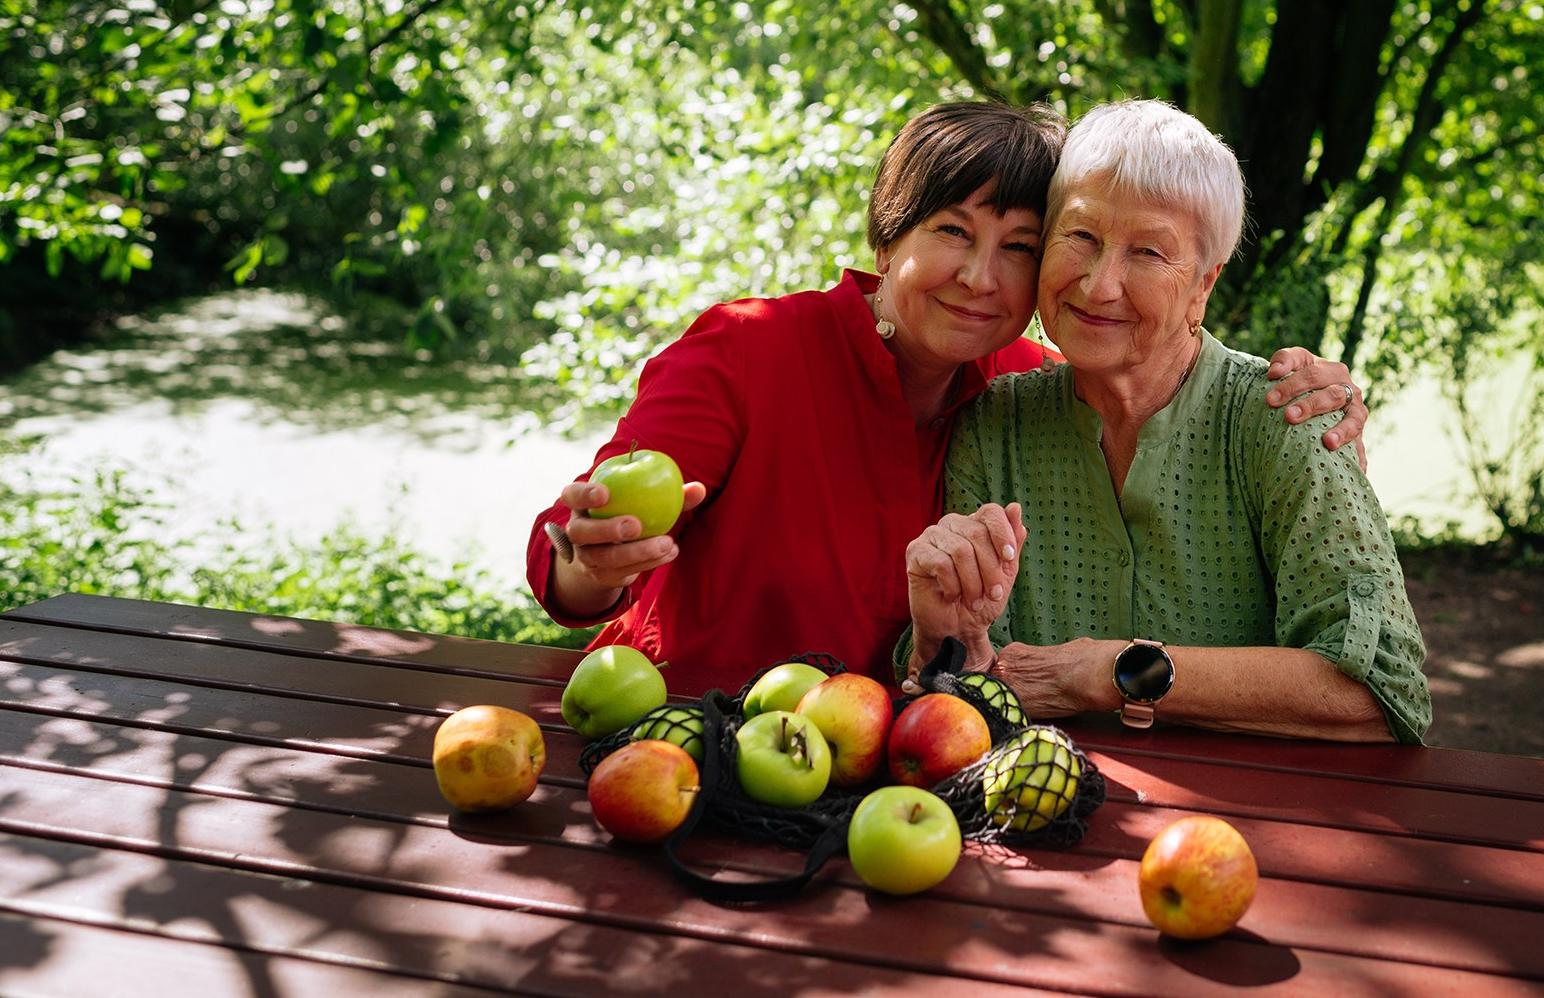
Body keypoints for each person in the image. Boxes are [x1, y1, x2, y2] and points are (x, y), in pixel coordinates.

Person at [527, 99, 1370, 681]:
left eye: (1018, 246)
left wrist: (1314, 406)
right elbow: (582, 545)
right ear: (888, 238)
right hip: (689, 738)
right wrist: (589, 559)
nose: (980, 276)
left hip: (898, 770)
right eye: (953, 232)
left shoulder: (1023, 393)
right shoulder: (749, 349)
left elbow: (1164, 362)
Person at [905, 99, 1430, 743]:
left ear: (1202, 285)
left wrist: (1115, 671)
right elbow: (970, 683)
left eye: (1148, 252)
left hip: (1268, 820)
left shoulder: (1286, 418)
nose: (1099, 286)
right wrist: (944, 641)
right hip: (1047, 813)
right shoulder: (995, 425)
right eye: (1081, 238)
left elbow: (1382, 692)